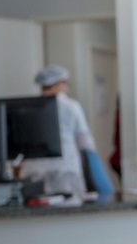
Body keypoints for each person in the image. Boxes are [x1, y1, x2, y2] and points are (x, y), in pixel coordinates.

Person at [20, 65, 99, 203]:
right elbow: (85, 142)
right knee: (68, 211)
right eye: (64, 83)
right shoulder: (71, 106)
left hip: (34, 172)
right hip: (65, 171)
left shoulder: (28, 106)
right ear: (57, 83)